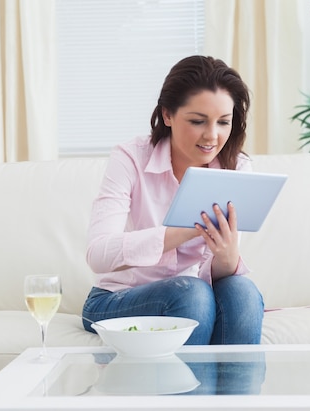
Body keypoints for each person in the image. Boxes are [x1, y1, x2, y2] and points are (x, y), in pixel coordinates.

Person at [81, 55, 264, 345]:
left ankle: (235, 392)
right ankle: (187, 391)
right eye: (197, 121)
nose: (212, 136)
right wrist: (185, 229)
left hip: (197, 296)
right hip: (116, 300)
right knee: (192, 293)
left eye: (223, 122)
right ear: (167, 115)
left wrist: (226, 253)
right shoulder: (130, 158)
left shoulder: (236, 167)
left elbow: (220, 275)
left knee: (243, 294)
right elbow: (98, 254)